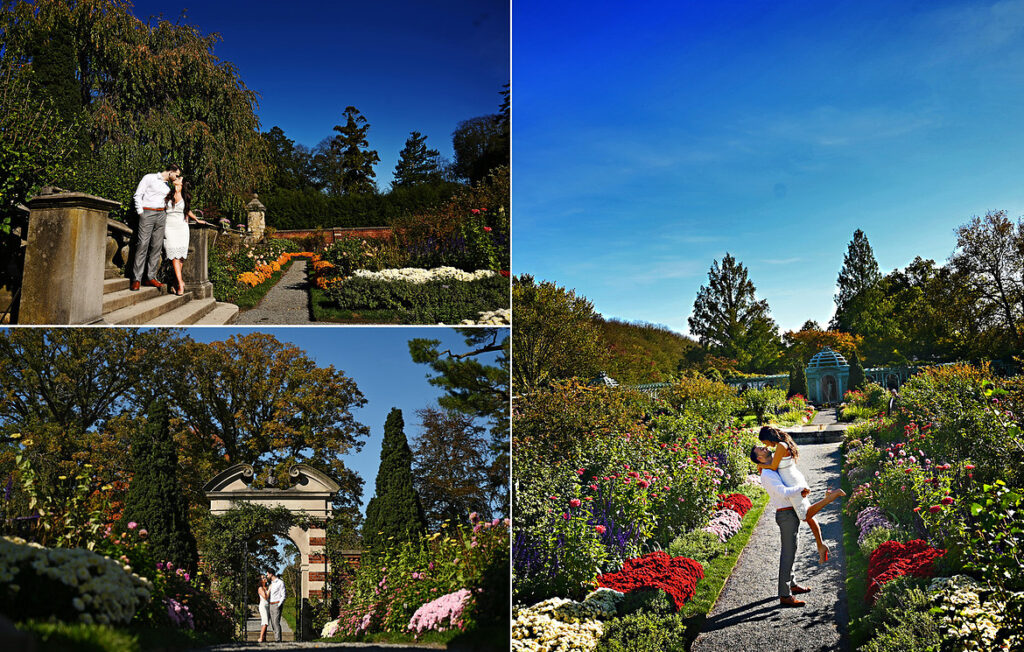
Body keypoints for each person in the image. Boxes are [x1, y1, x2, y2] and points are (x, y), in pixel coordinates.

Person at [751, 444, 845, 607]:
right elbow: (783, 492)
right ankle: (785, 595)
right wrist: (801, 488)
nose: (764, 447)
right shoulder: (766, 474)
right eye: (760, 449)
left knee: (792, 550)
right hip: (785, 514)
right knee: (788, 553)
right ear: (758, 457)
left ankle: (792, 585)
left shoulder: (770, 468)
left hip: (790, 512)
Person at [755, 426, 842, 564]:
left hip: (792, 481)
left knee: (805, 515)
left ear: (768, 437)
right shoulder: (783, 444)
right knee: (809, 517)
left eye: (765, 442)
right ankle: (821, 545)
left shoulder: (780, 446)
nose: (766, 445)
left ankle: (831, 497)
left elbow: (773, 467)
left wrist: (760, 466)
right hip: (793, 478)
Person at [131, 164, 180, 291]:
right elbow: (138, 195)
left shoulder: (167, 186)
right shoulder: (149, 177)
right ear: (170, 171)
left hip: (161, 214)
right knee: (142, 244)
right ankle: (136, 279)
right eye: (176, 175)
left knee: (157, 246)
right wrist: (141, 213)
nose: (176, 178)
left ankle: (150, 277)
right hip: (147, 212)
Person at [162, 175, 199, 295]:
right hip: (169, 227)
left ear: (182, 184)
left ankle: (175, 282)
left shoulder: (185, 196)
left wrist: (197, 220)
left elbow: (187, 210)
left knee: (180, 256)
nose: (176, 179)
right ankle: (181, 282)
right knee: (173, 255)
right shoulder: (167, 193)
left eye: (179, 179)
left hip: (182, 228)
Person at [267, 569, 286, 642]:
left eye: (267, 574)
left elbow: (283, 595)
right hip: (271, 605)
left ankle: (278, 640)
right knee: (272, 623)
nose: (267, 576)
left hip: (276, 604)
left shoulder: (280, 582)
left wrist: (278, 605)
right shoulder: (271, 584)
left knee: (276, 622)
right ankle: (276, 638)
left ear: (271, 574)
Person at [256, 575, 270, 643]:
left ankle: (264, 638)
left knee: (266, 622)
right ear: (261, 580)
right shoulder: (260, 588)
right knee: (265, 622)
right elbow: (265, 597)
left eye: (265, 577)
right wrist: (269, 590)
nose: (265, 578)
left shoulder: (266, 587)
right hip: (263, 606)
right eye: (263, 578)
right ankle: (261, 638)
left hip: (267, 606)